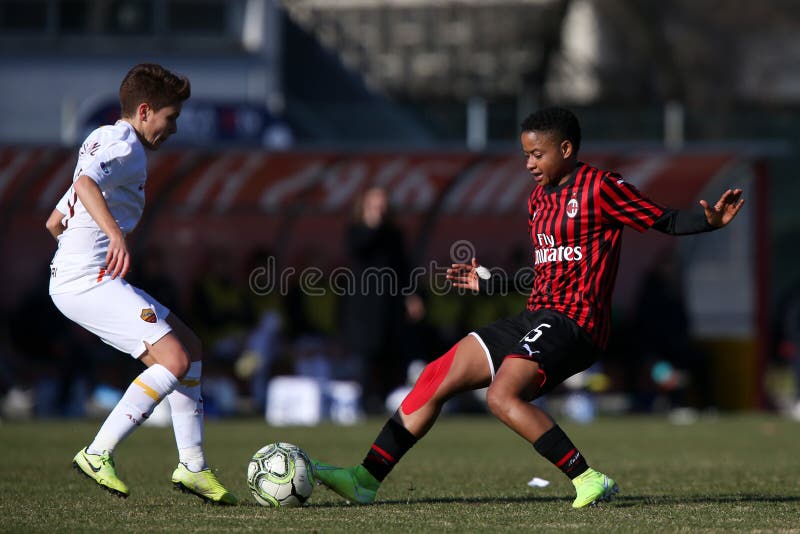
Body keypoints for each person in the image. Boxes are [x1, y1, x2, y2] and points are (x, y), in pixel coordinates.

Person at [310, 107, 744, 508]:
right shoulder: (538, 201)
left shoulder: (601, 187)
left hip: (576, 321)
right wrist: (491, 279)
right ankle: (366, 479)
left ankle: (588, 478)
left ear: (566, 149)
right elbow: (546, 271)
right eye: (525, 155)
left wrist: (707, 221)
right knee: (436, 374)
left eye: (537, 154)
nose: (529, 164)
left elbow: (662, 219)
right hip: (537, 314)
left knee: (501, 396)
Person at [46, 63, 236, 504]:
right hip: (86, 281)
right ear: (146, 111)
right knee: (172, 358)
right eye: (171, 118)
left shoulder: (103, 140)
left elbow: (55, 219)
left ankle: (193, 467)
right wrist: (111, 238)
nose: (174, 128)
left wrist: (76, 250)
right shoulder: (124, 146)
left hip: (79, 278)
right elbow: (84, 183)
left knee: (190, 347)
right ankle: (98, 452)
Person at [340, 186, 410, 413]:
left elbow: (403, 267)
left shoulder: (394, 233)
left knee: (391, 353)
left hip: (390, 303)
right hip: (364, 305)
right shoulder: (356, 230)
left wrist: (412, 296)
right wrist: (372, 224)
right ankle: (363, 401)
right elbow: (357, 250)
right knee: (366, 355)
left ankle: (386, 400)